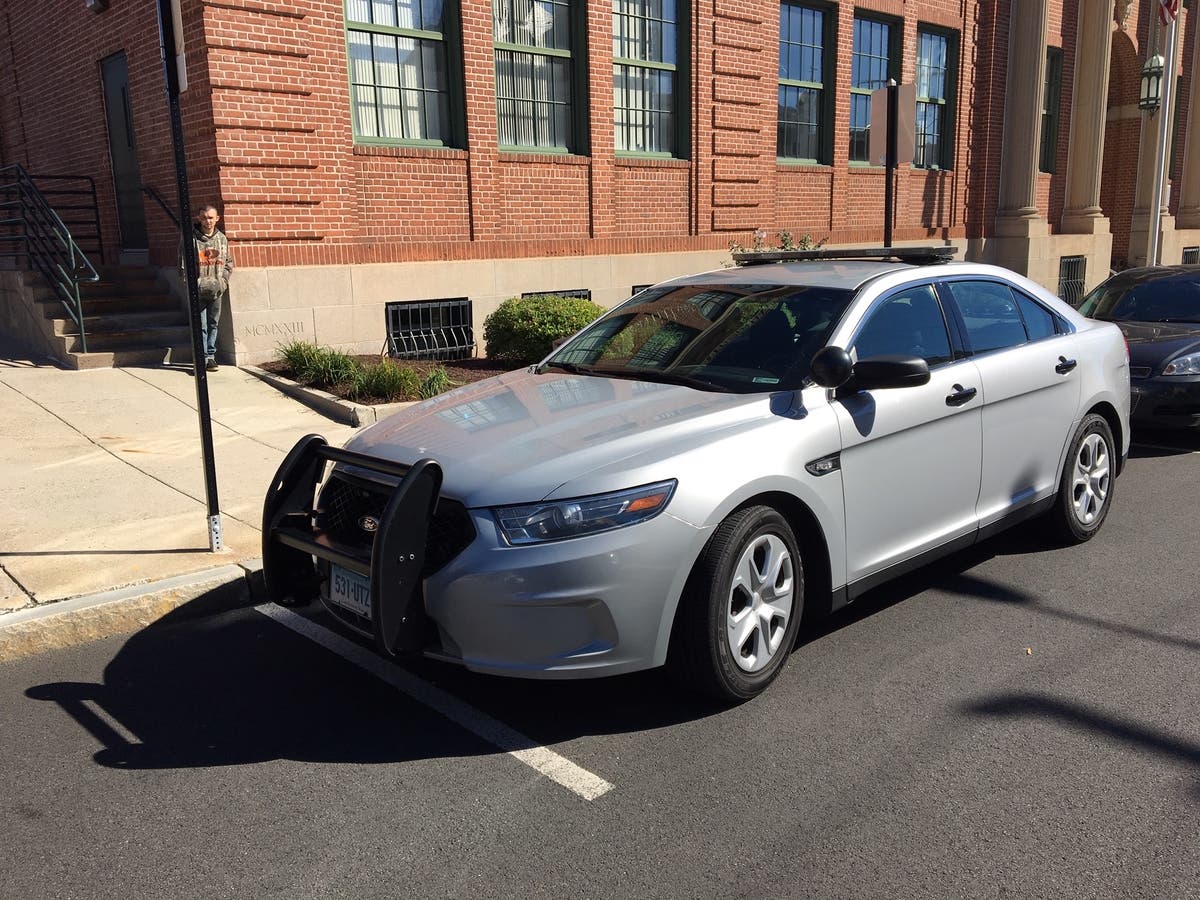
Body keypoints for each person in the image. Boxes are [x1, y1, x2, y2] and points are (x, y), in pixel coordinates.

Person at [186, 204, 234, 371]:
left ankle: (211, 357)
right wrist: (191, 284)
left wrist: (223, 281)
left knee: (213, 323)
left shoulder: (222, 239)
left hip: (216, 289)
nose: (208, 221)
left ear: (217, 219)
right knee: (201, 325)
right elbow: (183, 264)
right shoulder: (191, 239)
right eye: (204, 218)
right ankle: (202, 357)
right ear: (199, 218)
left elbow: (228, 262)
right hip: (198, 290)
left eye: (211, 218)